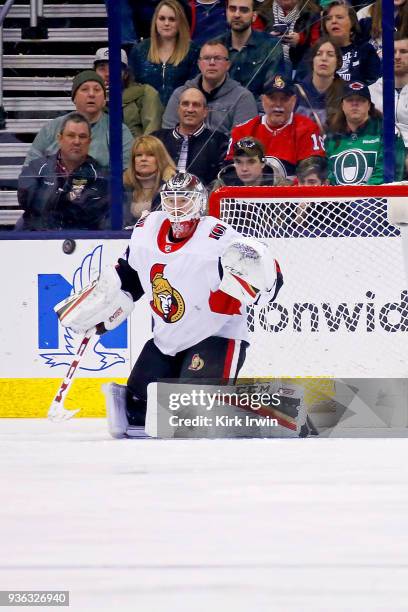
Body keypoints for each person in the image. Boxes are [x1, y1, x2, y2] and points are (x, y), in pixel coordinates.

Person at [55, 172, 284, 439]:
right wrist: (105, 308)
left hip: (217, 335)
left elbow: (264, 278)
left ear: (199, 204)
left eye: (184, 201)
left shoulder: (218, 239)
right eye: (171, 200)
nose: (176, 208)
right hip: (167, 339)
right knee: (137, 409)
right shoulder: (147, 230)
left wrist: (268, 280)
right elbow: (131, 276)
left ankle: (272, 410)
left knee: (192, 412)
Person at [23, 70, 133, 171]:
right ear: (74, 98)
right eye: (84, 89)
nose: (91, 94)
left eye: (97, 90)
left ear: (104, 100)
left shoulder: (119, 130)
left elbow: (128, 173)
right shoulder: (51, 128)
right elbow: (29, 169)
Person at [17, 112, 109, 230]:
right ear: (60, 139)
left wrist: (54, 197)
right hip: (39, 237)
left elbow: (87, 213)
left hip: (82, 240)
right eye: (71, 135)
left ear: (89, 142)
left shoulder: (100, 175)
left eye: (82, 136)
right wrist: (66, 197)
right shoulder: (37, 167)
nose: (77, 141)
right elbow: (27, 201)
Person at [226, 74, 325, 181]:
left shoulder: (307, 129)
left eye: (284, 99)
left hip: (292, 196)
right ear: (263, 100)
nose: (278, 104)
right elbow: (229, 172)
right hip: (249, 195)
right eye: (272, 98)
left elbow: (312, 174)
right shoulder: (242, 131)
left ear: (293, 101)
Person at [162, 40, 258, 137]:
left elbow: (243, 139)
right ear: (199, 64)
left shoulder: (242, 97)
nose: (212, 63)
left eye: (218, 58)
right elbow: (168, 134)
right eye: (206, 58)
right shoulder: (180, 94)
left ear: (228, 65)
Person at [325, 81, 406, 185]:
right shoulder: (332, 137)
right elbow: (328, 175)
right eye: (350, 100)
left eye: (361, 100)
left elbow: (388, 174)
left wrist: (362, 198)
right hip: (338, 199)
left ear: (369, 105)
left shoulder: (387, 132)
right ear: (342, 106)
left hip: (378, 198)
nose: (355, 104)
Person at [128, 0, 199, 105]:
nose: (166, 23)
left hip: (181, 114)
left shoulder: (193, 51)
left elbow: (195, 89)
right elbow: (132, 88)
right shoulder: (139, 50)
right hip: (146, 115)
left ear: (180, 22)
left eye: (172, 19)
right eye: (162, 18)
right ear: (155, 21)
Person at [153, 87, 228, 186]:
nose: (190, 109)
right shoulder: (157, 138)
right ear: (178, 109)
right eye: (185, 104)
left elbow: (224, 179)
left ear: (205, 111)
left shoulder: (220, 141)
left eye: (196, 105)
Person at [214, 0, 286, 103]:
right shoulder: (215, 46)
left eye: (244, 10)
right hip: (218, 110)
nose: (237, 15)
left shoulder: (271, 46)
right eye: (232, 9)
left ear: (254, 16)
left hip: (257, 111)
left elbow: (274, 90)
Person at [93, 47, 163, 137]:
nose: (108, 74)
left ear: (125, 74)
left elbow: (152, 132)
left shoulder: (145, 93)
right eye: (102, 69)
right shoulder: (89, 96)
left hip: (137, 148)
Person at [322, 0, 381, 85]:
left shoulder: (365, 50)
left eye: (339, 17)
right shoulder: (318, 52)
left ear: (352, 22)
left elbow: (374, 83)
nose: (333, 21)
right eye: (328, 18)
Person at [122, 135, 176, 227]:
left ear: (160, 158)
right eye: (138, 155)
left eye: (150, 155)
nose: (143, 159)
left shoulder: (173, 186)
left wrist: (165, 183)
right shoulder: (123, 185)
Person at [256, 0, 321, 74]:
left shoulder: (313, 13)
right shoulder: (262, 13)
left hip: (300, 70)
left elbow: (317, 49)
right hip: (266, 70)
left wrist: (300, 41)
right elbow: (253, 45)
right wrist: (267, 39)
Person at [295, 37, 344, 130]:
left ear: (338, 62)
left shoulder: (347, 93)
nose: (324, 58)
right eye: (319, 54)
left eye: (330, 55)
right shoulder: (295, 92)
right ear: (312, 60)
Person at [369, 33, 408, 149]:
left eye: (403, 51)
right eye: (393, 52)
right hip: (381, 154)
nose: (397, 56)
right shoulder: (370, 92)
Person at [212, 136, 281, 189]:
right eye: (238, 162)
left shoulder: (282, 187)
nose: (244, 169)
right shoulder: (221, 186)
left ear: (263, 163)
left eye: (251, 162)